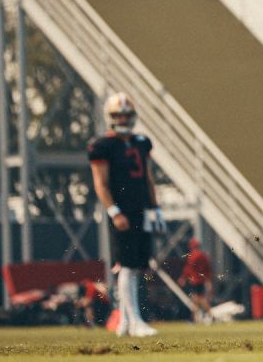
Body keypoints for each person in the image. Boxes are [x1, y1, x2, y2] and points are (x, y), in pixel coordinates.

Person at [88, 91, 166, 337]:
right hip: (123, 211)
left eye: (126, 115)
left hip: (141, 209)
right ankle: (134, 321)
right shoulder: (102, 146)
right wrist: (114, 211)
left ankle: (124, 323)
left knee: (137, 265)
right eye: (118, 115)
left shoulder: (142, 142)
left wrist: (155, 208)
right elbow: (100, 183)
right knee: (128, 266)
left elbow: (148, 177)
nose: (122, 119)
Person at [178, 238, 214, 324]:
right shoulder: (203, 255)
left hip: (195, 281)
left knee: (198, 299)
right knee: (196, 299)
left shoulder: (192, 256)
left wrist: (183, 278)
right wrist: (209, 280)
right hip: (202, 280)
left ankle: (209, 315)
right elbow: (208, 269)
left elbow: (188, 269)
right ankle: (195, 318)